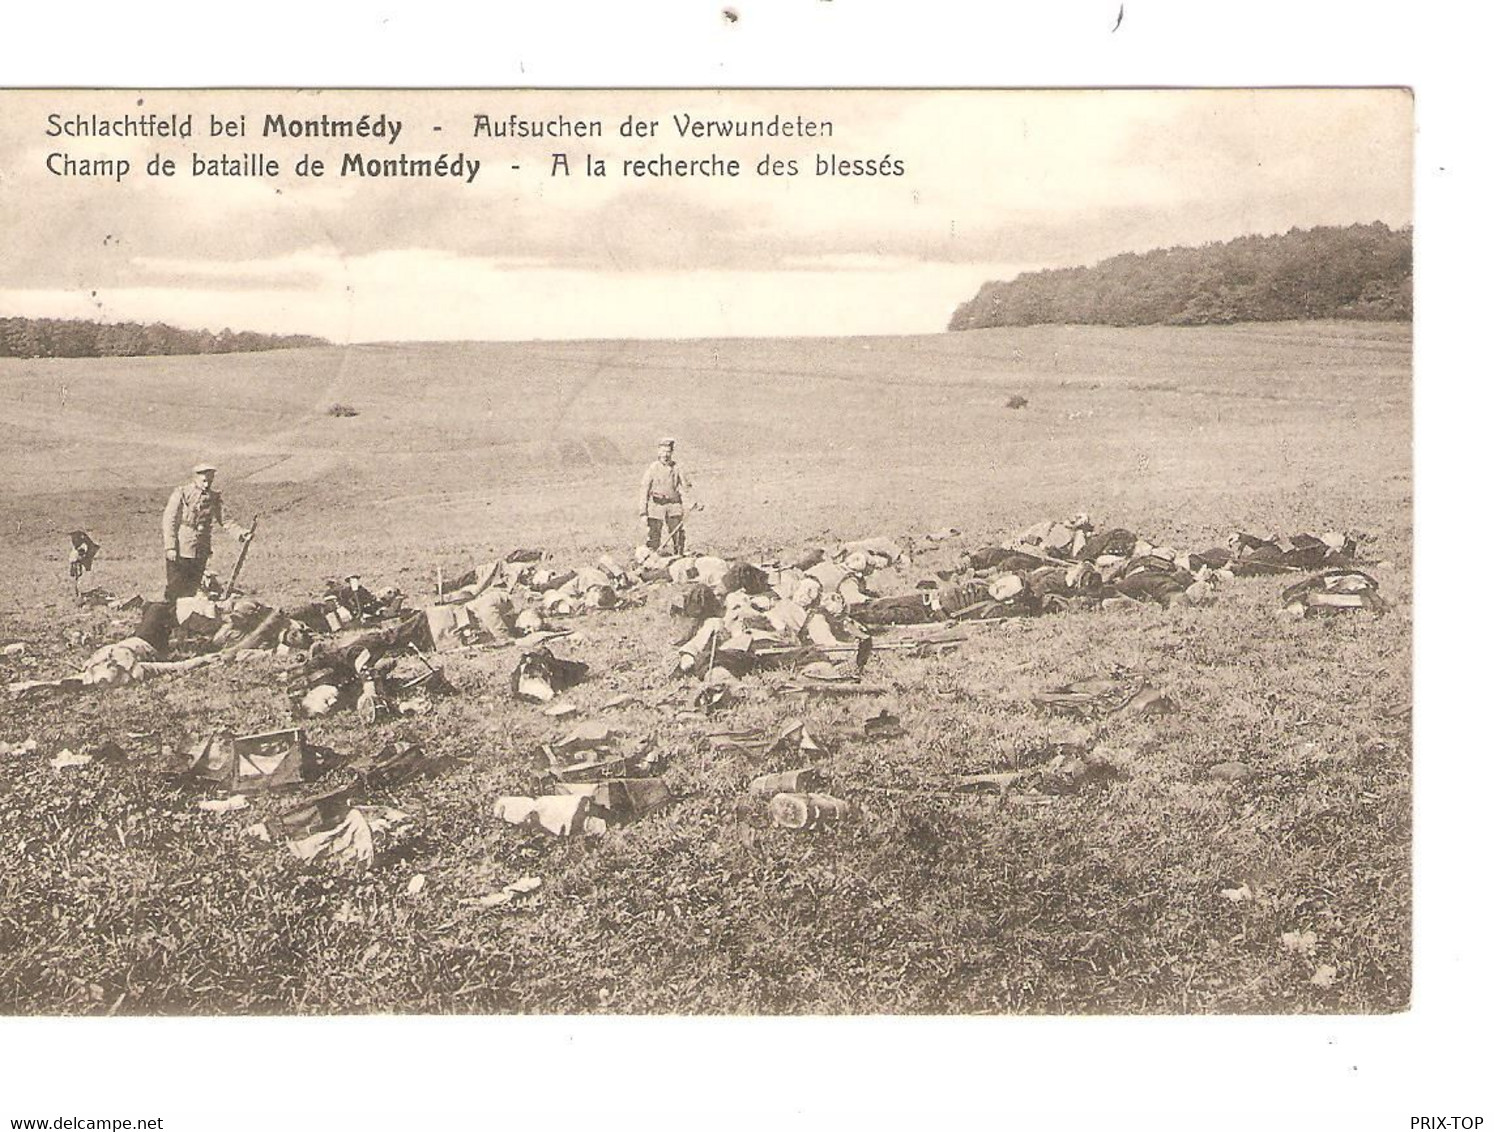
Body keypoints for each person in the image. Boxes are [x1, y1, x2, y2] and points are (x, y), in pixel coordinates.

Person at [162, 462, 248, 600]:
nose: (207, 485)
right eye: (204, 481)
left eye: (210, 481)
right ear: (195, 478)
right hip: (181, 548)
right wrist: (170, 546)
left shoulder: (213, 497)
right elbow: (169, 520)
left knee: (193, 588)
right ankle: (169, 618)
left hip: (201, 549)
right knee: (176, 587)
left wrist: (240, 533)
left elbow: (225, 520)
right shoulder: (182, 493)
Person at [638, 437, 690, 555]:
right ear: (658, 452)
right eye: (663, 452)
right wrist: (643, 512)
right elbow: (644, 490)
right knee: (654, 536)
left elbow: (687, 486)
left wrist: (693, 502)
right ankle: (652, 563)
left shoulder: (677, 468)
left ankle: (679, 558)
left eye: (668, 452)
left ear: (672, 453)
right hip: (656, 506)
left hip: (674, 505)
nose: (665, 455)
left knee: (677, 534)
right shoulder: (652, 468)